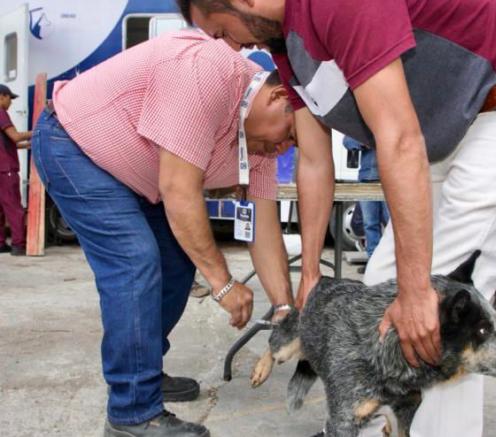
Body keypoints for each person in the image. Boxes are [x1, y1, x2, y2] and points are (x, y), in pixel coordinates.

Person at [181, 1, 496, 435]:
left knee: (440, 313)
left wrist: (415, 291)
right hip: (451, 135)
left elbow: (399, 136)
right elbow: (314, 160)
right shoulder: (286, 47)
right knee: (387, 287)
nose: (234, 47)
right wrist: (311, 272)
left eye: (221, 31)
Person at [32, 30, 296, 437]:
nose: (283, 151)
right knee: (135, 261)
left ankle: (142, 371)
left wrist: (283, 309)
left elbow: (264, 226)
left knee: (175, 263)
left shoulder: (258, 146)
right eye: (288, 137)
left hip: (136, 175)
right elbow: (178, 191)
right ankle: (132, 412)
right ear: (278, 99)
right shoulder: (211, 71)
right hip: (75, 143)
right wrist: (224, 285)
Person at [342, 135, 390, 269]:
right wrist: (366, 140)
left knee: (392, 224)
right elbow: (347, 141)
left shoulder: (389, 121)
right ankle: (373, 263)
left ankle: (393, 263)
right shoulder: (360, 126)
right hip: (366, 179)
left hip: (389, 179)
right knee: (370, 224)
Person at [0, 84, 32, 256]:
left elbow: (8, 144)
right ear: (2, 96)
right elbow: (15, 136)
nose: (10, 103)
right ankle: (19, 245)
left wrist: (28, 145)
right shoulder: (1, 113)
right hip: (6, 169)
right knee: (14, 208)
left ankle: (0, 244)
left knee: (0, 208)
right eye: (9, 99)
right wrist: (37, 131)